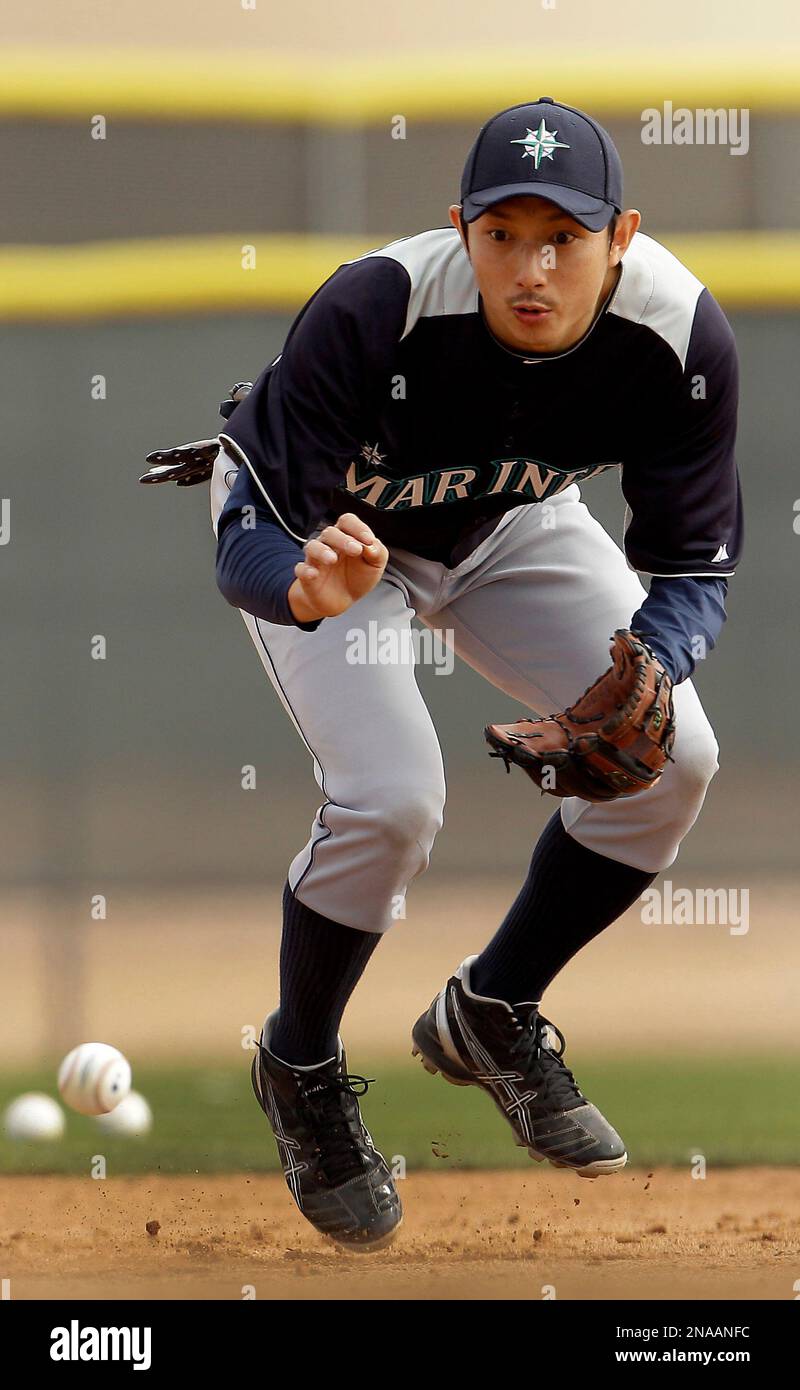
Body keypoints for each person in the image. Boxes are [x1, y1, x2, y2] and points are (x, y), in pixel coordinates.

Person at [147, 97, 742, 1251]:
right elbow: (250, 531)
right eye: (503, 233)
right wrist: (299, 585)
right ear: (458, 227)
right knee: (392, 797)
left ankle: (490, 1008)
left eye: (562, 237)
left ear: (620, 236)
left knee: (676, 754)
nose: (532, 266)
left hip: (512, 525)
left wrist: (652, 666)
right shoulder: (378, 306)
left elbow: (690, 566)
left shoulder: (676, 334)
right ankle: (300, 1063)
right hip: (334, 541)